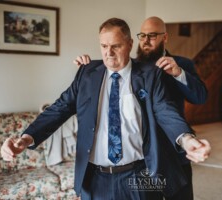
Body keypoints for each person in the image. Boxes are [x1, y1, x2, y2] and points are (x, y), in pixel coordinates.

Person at [1, 18, 211, 200]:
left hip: (138, 176)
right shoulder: (87, 74)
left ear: (129, 44)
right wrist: (27, 138)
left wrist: (187, 139)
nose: (108, 53)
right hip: (94, 178)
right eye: (103, 46)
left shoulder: (149, 75)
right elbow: (59, 109)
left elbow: (165, 111)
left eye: (116, 46)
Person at [73, 16, 208, 200]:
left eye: (152, 36)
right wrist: (87, 67)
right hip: (144, 156)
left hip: (173, 150)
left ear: (165, 37)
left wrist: (179, 74)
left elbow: (200, 98)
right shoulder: (133, 66)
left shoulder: (182, 64)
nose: (145, 40)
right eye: (142, 35)